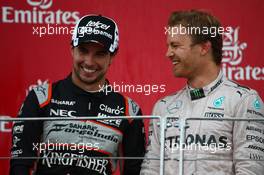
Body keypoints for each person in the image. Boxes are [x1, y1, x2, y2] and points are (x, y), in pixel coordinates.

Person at [10, 14, 145, 175]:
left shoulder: (129, 111)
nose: (89, 61)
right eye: (83, 50)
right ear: (72, 49)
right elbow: (20, 164)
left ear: (112, 56)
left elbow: (134, 171)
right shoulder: (41, 97)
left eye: (100, 54)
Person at [140, 10, 264, 175]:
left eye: (175, 46)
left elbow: (251, 170)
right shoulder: (163, 107)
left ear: (204, 47)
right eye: (169, 46)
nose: (168, 53)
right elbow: (151, 170)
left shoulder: (244, 101)